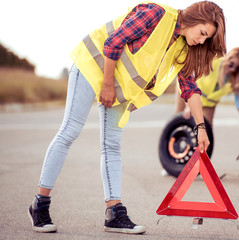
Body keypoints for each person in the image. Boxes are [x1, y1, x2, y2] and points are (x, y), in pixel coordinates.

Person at [28, 1, 226, 234]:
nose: (201, 41)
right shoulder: (156, 14)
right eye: (202, 33)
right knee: (70, 130)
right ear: (194, 18)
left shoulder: (183, 48)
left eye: (206, 39)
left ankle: (114, 213)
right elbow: (113, 43)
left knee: (111, 145)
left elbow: (189, 88)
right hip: (92, 65)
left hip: (118, 85)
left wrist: (200, 128)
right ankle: (39, 205)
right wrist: (108, 85)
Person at [175, 47, 239, 127]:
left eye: (237, 68)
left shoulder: (234, 79)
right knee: (179, 121)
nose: (233, 69)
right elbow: (189, 77)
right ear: (227, 58)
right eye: (231, 64)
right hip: (186, 90)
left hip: (208, 104)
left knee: (207, 129)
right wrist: (189, 105)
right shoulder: (213, 61)